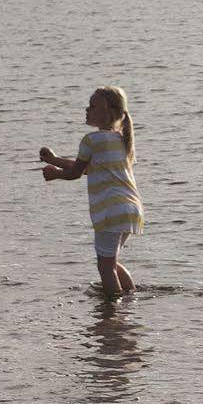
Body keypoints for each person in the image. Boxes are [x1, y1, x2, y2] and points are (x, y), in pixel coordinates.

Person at [39, 85, 144, 295]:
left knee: (105, 267)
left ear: (109, 113)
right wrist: (54, 159)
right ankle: (130, 299)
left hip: (110, 211)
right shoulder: (120, 140)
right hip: (131, 209)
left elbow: (76, 173)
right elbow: (90, 168)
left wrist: (55, 174)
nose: (87, 109)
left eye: (93, 106)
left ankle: (113, 310)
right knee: (111, 263)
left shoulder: (91, 140)